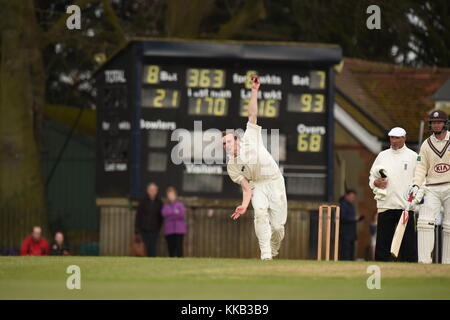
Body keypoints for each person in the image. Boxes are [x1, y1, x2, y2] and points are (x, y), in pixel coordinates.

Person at [223, 75, 288, 261]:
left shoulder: (250, 137)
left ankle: (274, 248)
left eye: (228, 141)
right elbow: (246, 187)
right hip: (257, 185)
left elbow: (252, 114)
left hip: (274, 180)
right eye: (223, 144)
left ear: (236, 139)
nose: (226, 145)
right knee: (259, 214)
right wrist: (244, 205)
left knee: (277, 227)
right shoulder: (232, 166)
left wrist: (254, 91)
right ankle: (266, 255)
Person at [369, 127, 418, 262]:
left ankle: (411, 271)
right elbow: (372, 178)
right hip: (386, 205)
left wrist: (414, 201)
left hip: (406, 207)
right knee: (383, 243)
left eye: (397, 138)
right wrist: (376, 182)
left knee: (408, 244)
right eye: (392, 138)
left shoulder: (413, 156)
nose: (394, 141)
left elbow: (420, 181)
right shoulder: (382, 155)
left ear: (404, 138)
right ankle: (381, 268)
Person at [409, 110, 450, 264]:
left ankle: (448, 264)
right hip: (432, 187)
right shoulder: (426, 144)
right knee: (424, 222)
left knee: (449, 225)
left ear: (445, 123)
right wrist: (415, 184)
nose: (436, 125)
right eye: (433, 122)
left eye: (439, 122)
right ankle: (424, 263)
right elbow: (421, 167)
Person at [135, 183, 163, 257]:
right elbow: (138, 215)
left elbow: (161, 217)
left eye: (154, 190)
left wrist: (158, 228)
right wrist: (137, 229)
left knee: (152, 247)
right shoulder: (143, 201)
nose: (152, 191)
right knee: (144, 247)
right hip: (143, 229)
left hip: (154, 230)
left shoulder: (159, 202)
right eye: (150, 190)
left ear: (156, 191)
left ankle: (152, 262)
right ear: (147, 191)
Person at [162, 186, 187, 257]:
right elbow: (164, 214)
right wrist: (174, 213)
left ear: (175, 195)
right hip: (169, 231)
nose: (171, 196)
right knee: (171, 249)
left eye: (172, 194)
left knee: (179, 249)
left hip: (179, 230)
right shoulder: (166, 206)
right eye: (169, 195)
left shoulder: (180, 205)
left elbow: (181, 214)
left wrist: (170, 215)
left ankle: (180, 263)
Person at [339, 190, 363, 260]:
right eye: (352, 197)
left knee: (351, 251)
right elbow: (342, 217)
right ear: (346, 196)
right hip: (345, 232)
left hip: (351, 232)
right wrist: (354, 218)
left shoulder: (350, 205)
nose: (353, 199)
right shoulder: (343, 204)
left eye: (354, 197)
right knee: (345, 251)